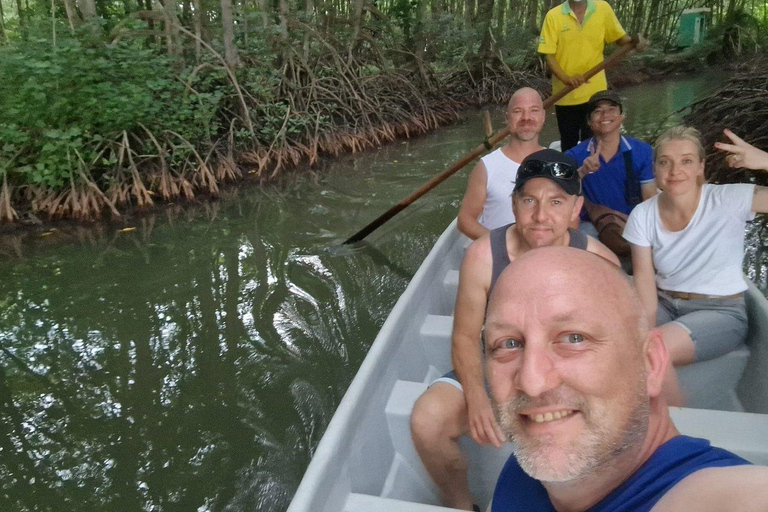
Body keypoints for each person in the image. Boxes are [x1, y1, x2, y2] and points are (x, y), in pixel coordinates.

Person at [410, 149, 618, 510]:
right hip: (499, 363)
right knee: (427, 421)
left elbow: (612, 349)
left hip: (565, 370)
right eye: (529, 200)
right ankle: (462, 505)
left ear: (575, 209)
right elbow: (463, 337)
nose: (540, 216)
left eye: (556, 202)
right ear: (514, 203)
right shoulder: (483, 255)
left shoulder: (599, 264)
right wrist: (476, 397)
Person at [486, 246, 768, 511]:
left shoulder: (722, 494)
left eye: (574, 338)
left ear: (650, 363)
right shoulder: (528, 465)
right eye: (508, 343)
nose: (532, 382)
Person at [624, 126, 768, 378]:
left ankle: (663, 414)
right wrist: (640, 328)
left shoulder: (728, 199)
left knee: (652, 350)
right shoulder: (643, 214)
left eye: (686, 161)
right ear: (654, 168)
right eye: (665, 162)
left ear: (701, 167)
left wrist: (765, 161)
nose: (675, 171)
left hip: (720, 311)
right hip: (665, 304)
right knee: (610, 338)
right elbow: (645, 281)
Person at [538, 0, 647, 152]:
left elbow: (621, 39)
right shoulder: (553, 16)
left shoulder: (602, 8)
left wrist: (634, 42)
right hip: (566, 95)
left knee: (595, 143)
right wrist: (566, 79)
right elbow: (548, 54)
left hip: (595, 95)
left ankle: (594, 174)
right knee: (569, 146)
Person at [565, 90, 657, 256]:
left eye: (611, 109)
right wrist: (583, 171)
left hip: (632, 222)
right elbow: (560, 191)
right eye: (597, 111)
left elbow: (650, 200)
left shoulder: (642, 151)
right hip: (592, 225)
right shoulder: (574, 156)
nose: (605, 115)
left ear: (622, 116)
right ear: (589, 122)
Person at [457, 88, 546, 240]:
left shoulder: (557, 162)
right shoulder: (487, 166)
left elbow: (570, 220)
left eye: (534, 110)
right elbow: (465, 220)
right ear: (507, 118)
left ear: (543, 116)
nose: (526, 117)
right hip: (500, 255)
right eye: (518, 111)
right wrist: (503, 245)